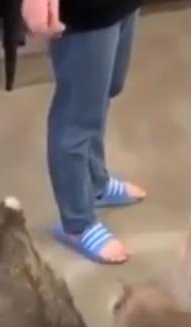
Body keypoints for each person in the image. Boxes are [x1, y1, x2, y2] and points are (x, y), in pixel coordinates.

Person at [22, 0, 146, 265]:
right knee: (77, 112)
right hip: (83, 10)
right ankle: (77, 223)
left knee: (105, 90)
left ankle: (95, 183)